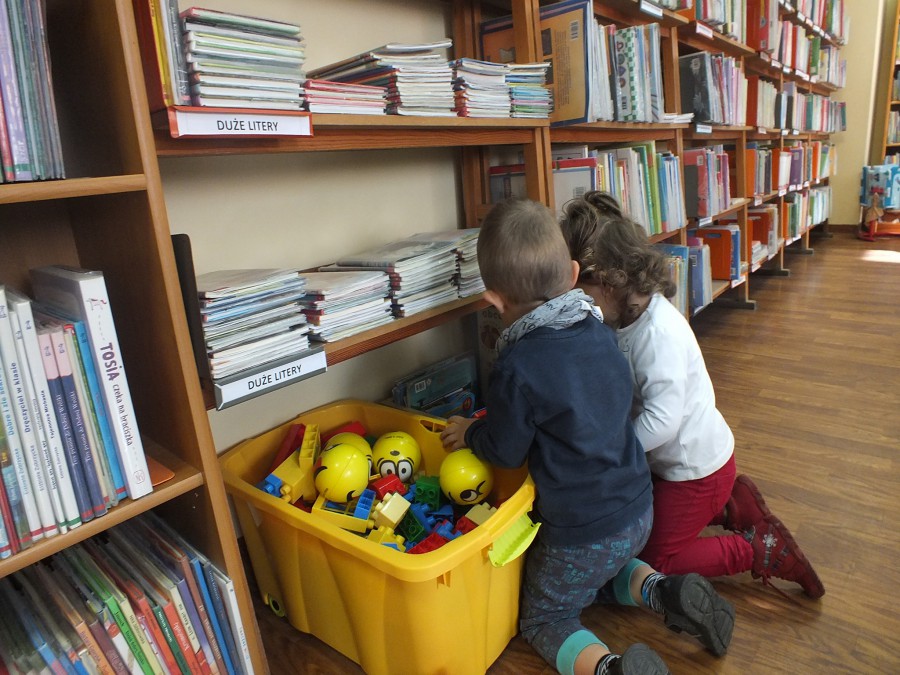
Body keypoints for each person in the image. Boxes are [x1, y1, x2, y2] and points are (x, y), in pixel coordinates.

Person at [440, 199, 734, 675]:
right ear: (574, 273)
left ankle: (608, 668)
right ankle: (662, 590)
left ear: (494, 301)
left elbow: (507, 451)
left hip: (582, 531)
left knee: (545, 617)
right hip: (639, 510)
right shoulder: (603, 332)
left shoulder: (516, 367)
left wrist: (474, 431)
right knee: (602, 571)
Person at [559, 190, 824, 599]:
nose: (581, 302)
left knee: (656, 562)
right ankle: (733, 506)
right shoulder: (625, 317)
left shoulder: (656, 333)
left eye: (582, 291)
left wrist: (611, 452)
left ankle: (756, 550)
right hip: (680, 467)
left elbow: (663, 421)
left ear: (609, 281)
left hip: (694, 472)